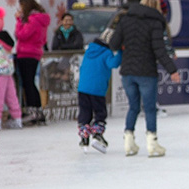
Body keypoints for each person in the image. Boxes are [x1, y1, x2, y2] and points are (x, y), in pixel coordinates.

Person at [109, 0, 179, 157]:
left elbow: (113, 44)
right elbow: (160, 51)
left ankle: (128, 142)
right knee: (149, 109)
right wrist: (172, 70)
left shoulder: (124, 20)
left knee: (133, 107)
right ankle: (152, 143)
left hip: (127, 72)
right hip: (146, 72)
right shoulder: (154, 23)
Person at [77, 28, 122, 152]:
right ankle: (97, 134)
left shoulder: (89, 50)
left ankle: (84, 136)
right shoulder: (107, 52)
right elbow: (113, 64)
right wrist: (120, 53)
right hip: (97, 89)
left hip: (83, 88)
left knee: (85, 112)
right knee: (100, 112)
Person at [14, 0, 50, 126]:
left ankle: (32, 110)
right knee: (30, 82)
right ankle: (37, 110)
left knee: (28, 83)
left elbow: (21, 35)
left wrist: (19, 21)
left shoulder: (33, 20)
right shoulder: (40, 19)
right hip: (34, 52)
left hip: (26, 53)